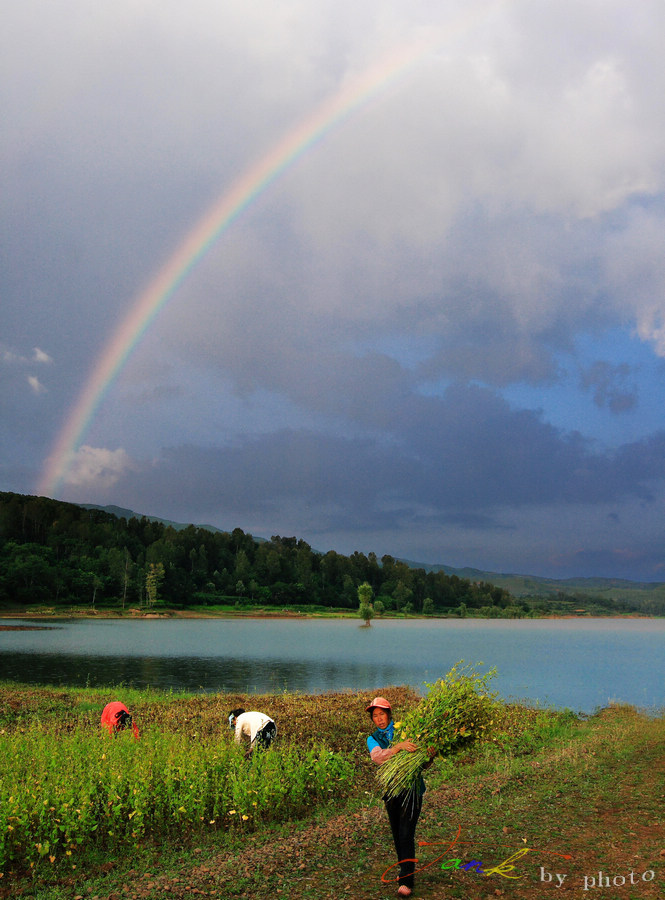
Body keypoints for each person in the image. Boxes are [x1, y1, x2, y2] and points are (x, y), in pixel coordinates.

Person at [366, 696, 434, 898]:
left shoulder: (406, 731)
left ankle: (406, 880)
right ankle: (404, 870)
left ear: (389, 714)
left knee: (406, 834)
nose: (379, 719)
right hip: (391, 791)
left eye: (382, 714)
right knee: (397, 834)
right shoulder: (373, 739)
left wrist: (429, 755)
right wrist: (398, 747)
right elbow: (377, 758)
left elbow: (421, 764)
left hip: (411, 790)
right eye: (375, 716)